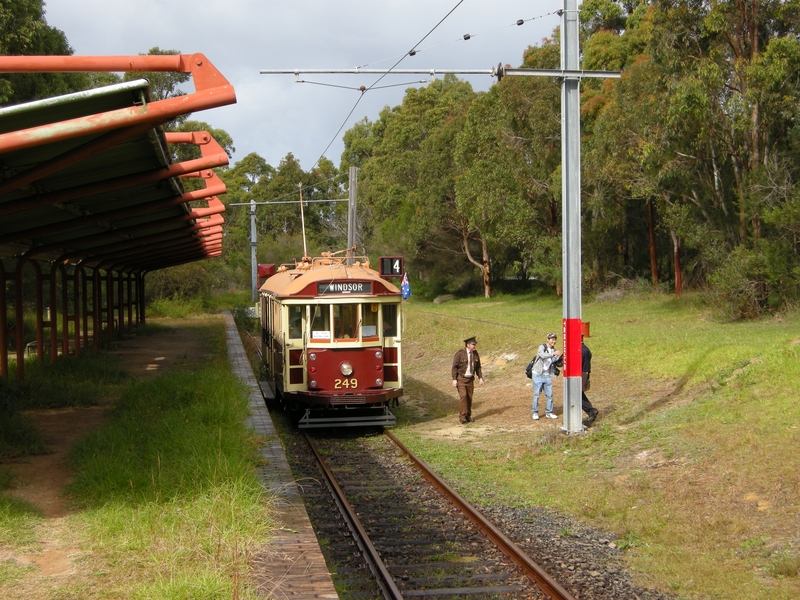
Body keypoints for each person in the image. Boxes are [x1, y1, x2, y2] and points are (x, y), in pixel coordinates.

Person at [451, 336, 484, 424]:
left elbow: (478, 367)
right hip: (461, 378)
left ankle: (468, 416)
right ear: (468, 345)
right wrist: (454, 379)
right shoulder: (460, 354)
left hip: (470, 379)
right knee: (464, 396)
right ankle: (462, 416)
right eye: (473, 344)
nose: (474, 346)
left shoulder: (475, 353)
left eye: (475, 344)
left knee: (469, 397)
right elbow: (454, 367)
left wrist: (480, 378)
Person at [531, 332, 562, 420]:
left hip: (546, 375)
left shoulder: (554, 350)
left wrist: (560, 358)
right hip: (537, 374)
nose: (554, 341)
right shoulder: (542, 347)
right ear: (547, 340)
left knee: (549, 394)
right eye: (552, 339)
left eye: (555, 339)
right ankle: (535, 412)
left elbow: (554, 362)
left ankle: (549, 412)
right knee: (537, 394)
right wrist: (553, 354)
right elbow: (542, 355)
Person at [582, 335, 599, 423]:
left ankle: (591, 411)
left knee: (576, 395)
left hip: (580, 374)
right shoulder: (586, 349)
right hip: (586, 373)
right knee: (579, 394)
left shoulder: (580, 350)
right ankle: (590, 411)